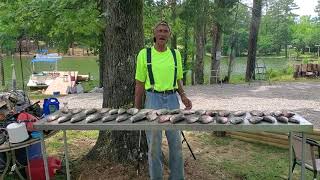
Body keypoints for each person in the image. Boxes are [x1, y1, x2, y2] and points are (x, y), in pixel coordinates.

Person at [134, 21, 192, 180]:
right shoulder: (144, 54)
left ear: (169, 35)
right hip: (152, 99)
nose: (162, 33)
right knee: (153, 147)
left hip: (173, 100)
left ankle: (177, 178)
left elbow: (179, 79)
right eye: (159, 31)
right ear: (154, 34)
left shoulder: (175, 54)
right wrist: (137, 109)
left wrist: (184, 96)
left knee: (176, 145)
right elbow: (139, 84)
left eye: (165, 31)